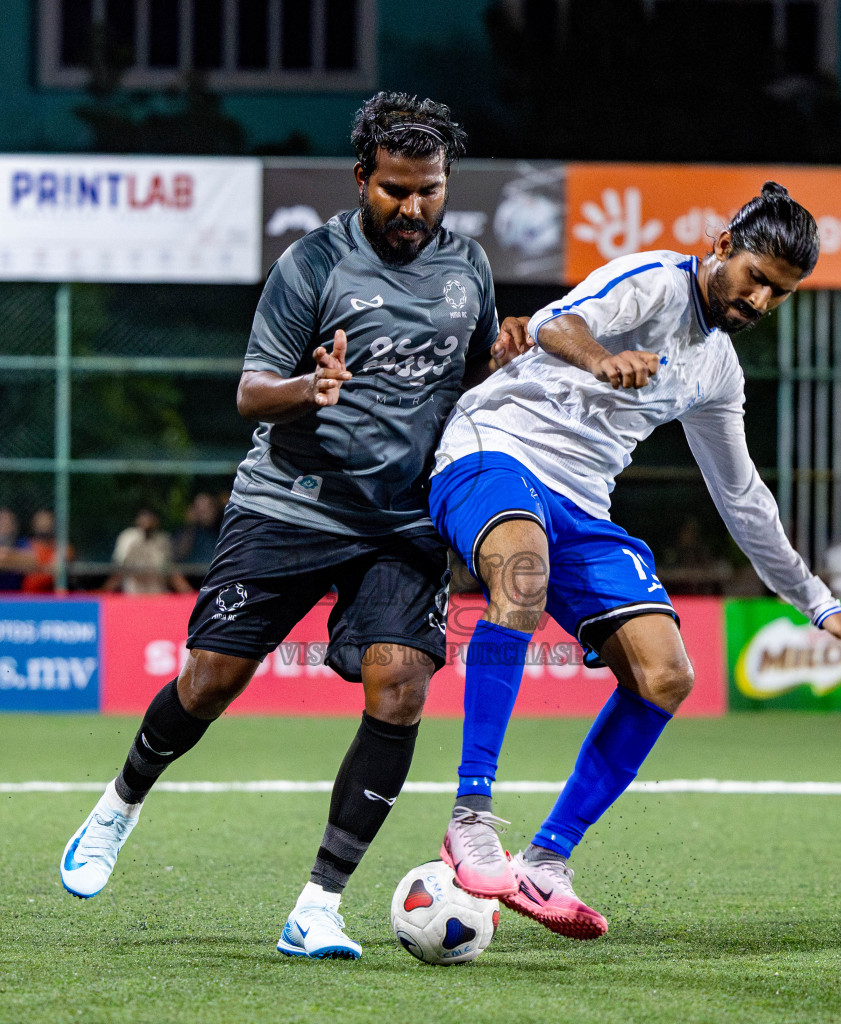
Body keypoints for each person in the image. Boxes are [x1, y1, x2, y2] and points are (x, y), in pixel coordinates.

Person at [58, 92, 530, 961]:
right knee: (208, 682)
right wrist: (304, 390)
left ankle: (318, 905)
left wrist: (500, 372)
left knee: (401, 686)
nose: (413, 207)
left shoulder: (468, 269)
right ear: (362, 179)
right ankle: (118, 805)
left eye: (429, 189)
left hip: (403, 522)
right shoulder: (311, 265)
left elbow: (466, 393)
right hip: (292, 504)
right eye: (395, 189)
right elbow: (248, 393)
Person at [429, 183, 841, 939]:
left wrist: (820, 603)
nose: (763, 300)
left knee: (667, 675)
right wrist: (603, 358)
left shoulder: (718, 372)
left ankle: (545, 862)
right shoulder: (652, 280)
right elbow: (550, 323)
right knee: (522, 575)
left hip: (579, 503)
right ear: (722, 247)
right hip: (492, 451)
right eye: (758, 278)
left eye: (782, 292)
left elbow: (742, 498)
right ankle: (470, 818)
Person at [104, 508, 191, 595]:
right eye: (144, 516)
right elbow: (119, 568)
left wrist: (189, 595)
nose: (147, 520)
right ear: (137, 519)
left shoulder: (163, 540)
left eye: (150, 517)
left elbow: (170, 570)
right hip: (133, 593)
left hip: (157, 593)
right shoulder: (128, 537)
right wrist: (103, 594)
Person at [23, 508, 74, 593]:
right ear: (33, 524)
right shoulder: (25, 545)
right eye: (40, 520)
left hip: (52, 596)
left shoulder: (62, 547)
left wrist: (37, 568)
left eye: (47, 520)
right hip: (25, 596)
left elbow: (55, 570)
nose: (44, 524)